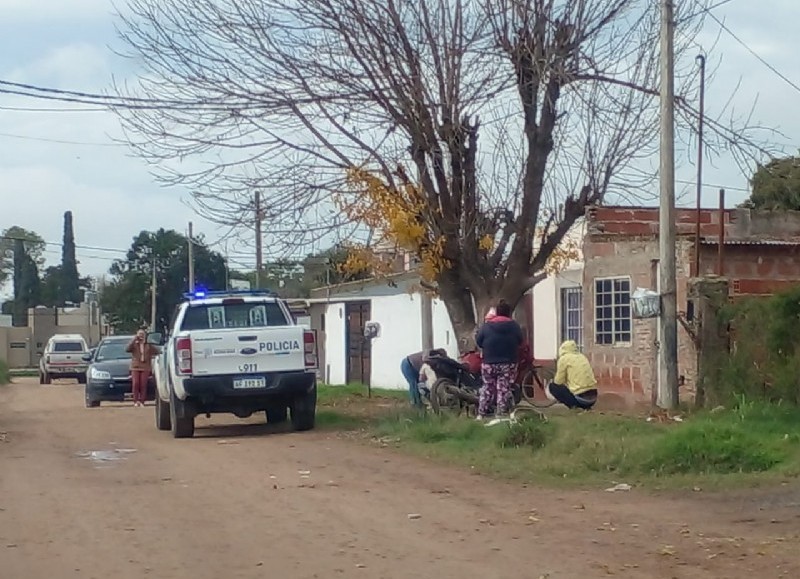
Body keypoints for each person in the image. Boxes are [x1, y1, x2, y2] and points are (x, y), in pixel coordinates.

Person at [475, 300, 523, 421]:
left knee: (487, 387)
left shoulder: (486, 326)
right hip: (508, 363)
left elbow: (479, 342)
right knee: (503, 388)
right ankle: (500, 413)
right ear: (509, 313)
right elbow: (520, 341)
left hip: (489, 362)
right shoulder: (514, 326)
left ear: (497, 313)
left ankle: (481, 414)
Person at [548, 340, 598, 410]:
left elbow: (558, 381)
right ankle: (586, 408)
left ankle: (574, 407)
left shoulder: (564, 359)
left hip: (580, 398)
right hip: (594, 397)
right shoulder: (582, 356)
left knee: (553, 387)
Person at [126, 328, 159, 408]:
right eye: (139, 334)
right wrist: (134, 340)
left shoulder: (148, 345)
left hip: (145, 367)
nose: (141, 336)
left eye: (142, 334)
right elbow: (127, 349)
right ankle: (135, 400)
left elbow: (157, 351)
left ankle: (142, 401)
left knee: (143, 384)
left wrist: (148, 342)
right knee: (135, 383)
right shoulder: (134, 344)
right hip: (135, 367)